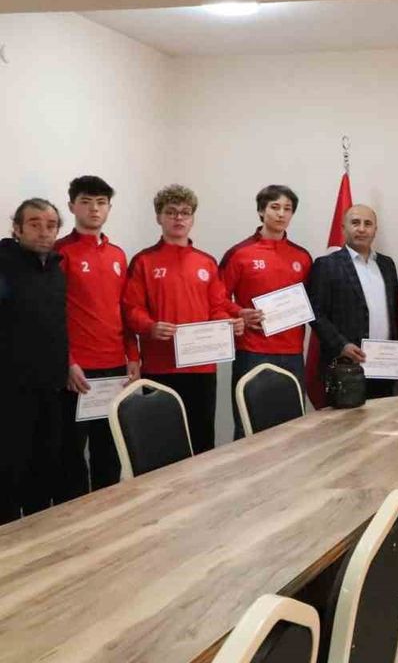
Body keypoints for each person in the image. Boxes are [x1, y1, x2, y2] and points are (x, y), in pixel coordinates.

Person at [125, 185, 243, 454]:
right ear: (159, 217)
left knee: (202, 443)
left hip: (202, 368)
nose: (178, 218)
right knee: (161, 444)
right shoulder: (143, 261)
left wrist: (227, 324)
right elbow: (131, 309)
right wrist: (150, 327)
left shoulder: (207, 262)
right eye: (171, 212)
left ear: (192, 218)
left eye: (185, 212)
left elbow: (217, 307)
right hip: (160, 367)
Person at [54, 176, 139, 498]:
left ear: (109, 208)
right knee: (71, 454)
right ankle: (73, 520)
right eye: (86, 202)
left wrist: (133, 356)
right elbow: (51, 315)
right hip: (77, 371)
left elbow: (124, 310)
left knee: (109, 449)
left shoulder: (117, 254)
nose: (94, 209)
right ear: (72, 206)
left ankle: (107, 514)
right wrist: (67, 362)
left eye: (101, 202)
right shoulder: (60, 252)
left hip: (114, 368)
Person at [220, 185, 312, 438]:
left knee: (292, 425)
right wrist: (239, 312)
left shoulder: (302, 257)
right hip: (252, 350)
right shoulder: (239, 254)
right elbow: (216, 298)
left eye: (287, 209)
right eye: (275, 207)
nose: (281, 214)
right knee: (249, 424)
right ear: (261, 211)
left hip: (292, 352)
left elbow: (312, 302)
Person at [0, 199, 68, 523]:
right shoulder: (4, 266)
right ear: (17, 228)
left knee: (44, 471)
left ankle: (39, 541)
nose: (43, 232)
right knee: (10, 474)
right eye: (34, 224)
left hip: (50, 389)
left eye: (51, 225)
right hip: (10, 393)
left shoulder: (55, 269)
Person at [306, 204, 398, 402]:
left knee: (383, 419)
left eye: (368, 224)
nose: (362, 229)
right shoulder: (327, 265)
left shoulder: (387, 264)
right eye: (355, 223)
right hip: (346, 366)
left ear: (375, 230)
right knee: (347, 421)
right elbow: (315, 313)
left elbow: (395, 312)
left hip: (385, 365)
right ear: (343, 228)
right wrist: (341, 345)